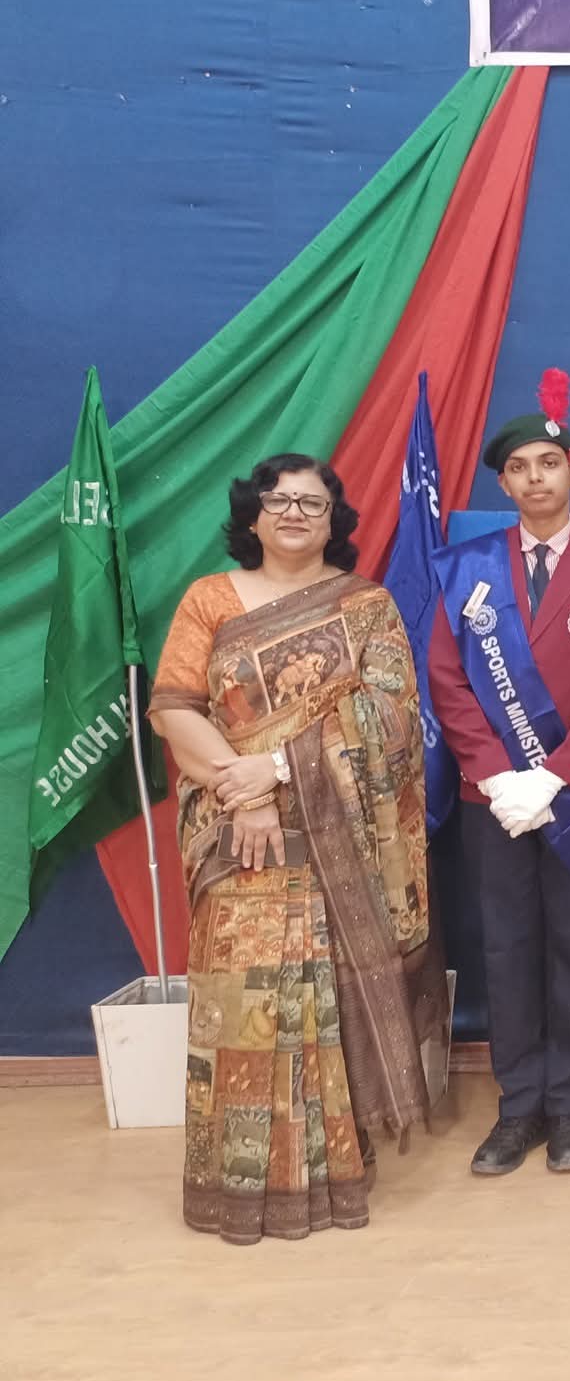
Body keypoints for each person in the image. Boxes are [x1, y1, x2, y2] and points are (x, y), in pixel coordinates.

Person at [152, 454, 448, 1243]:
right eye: (278, 500)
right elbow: (175, 709)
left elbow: (391, 721)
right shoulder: (209, 600)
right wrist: (244, 793)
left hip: (338, 838)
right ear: (251, 516)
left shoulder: (366, 607)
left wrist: (279, 771)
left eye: (311, 503)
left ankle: (334, 1174)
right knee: (244, 1007)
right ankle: (235, 1184)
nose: (293, 513)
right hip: (233, 834)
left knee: (323, 1002)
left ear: (333, 520)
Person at [429, 371, 570, 1178]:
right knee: (508, 948)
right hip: (492, 802)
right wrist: (497, 778)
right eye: (518, 468)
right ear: (503, 484)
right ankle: (518, 1104)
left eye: (548, 464)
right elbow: (447, 681)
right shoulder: (465, 566)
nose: (535, 479)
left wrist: (552, 778)